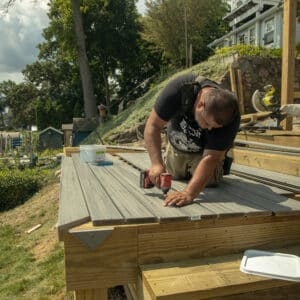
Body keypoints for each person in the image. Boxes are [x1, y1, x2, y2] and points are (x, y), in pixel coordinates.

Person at [144, 73, 240, 207]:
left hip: (204, 153)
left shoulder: (230, 113)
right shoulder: (178, 89)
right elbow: (153, 125)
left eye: (215, 127)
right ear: (200, 105)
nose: (211, 129)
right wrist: (156, 164)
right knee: (173, 174)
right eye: (207, 123)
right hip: (178, 143)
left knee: (210, 181)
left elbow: (211, 157)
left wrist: (189, 193)